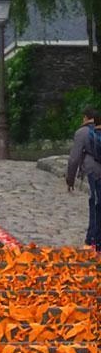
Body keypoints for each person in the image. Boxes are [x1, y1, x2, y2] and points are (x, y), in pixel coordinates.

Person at [66, 105, 101, 252]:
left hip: (94, 172)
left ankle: (92, 240)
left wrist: (70, 179)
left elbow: (74, 159)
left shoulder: (82, 133)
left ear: (86, 117)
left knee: (95, 204)